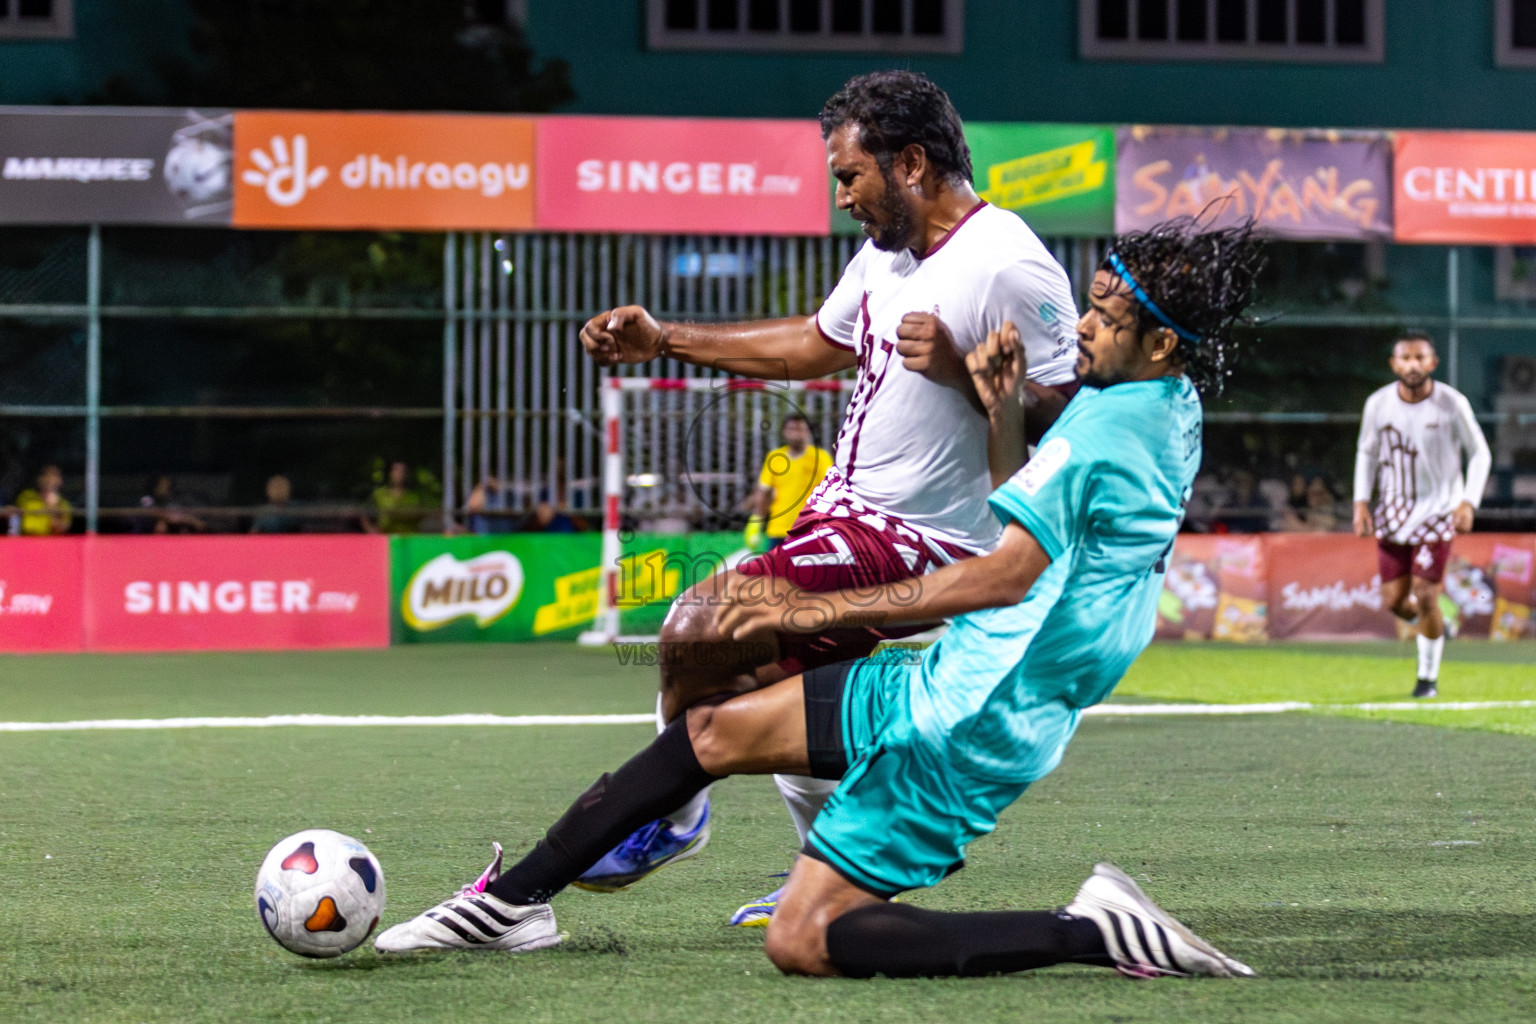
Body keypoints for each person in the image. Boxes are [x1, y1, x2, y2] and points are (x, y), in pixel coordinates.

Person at [375, 218, 1266, 981]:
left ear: (1161, 343)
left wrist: (813, 614)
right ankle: (513, 903)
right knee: (716, 731)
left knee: (803, 938)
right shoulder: (1168, 401)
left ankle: (1089, 931)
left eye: (1105, 318)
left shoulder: (1107, 420)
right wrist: (995, 409)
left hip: (978, 716)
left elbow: (1002, 574)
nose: (1079, 327)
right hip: (967, 674)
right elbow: (1027, 523)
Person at [571, 70, 1084, 916]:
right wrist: (666, 338)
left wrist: (965, 374)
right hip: (842, 516)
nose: (842, 195)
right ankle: (836, 868)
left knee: (700, 625)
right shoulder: (888, 255)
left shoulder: (1011, 265)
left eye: (851, 175)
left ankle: (671, 811)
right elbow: (816, 343)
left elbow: (1070, 424)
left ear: (912, 163)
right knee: (779, 694)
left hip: (920, 540)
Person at [1352, 331, 1491, 698]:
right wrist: (1360, 501)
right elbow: (1366, 453)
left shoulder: (1451, 403)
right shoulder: (1378, 404)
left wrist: (1468, 502)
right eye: (1405, 358)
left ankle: (1427, 679)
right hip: (1393, 514)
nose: (1413, 364)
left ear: (1432, 363)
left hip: (1438, 512)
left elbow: (1480, 453)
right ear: (1394, 364)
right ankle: (1435, 626)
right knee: (1395, 601)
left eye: (1420, 358)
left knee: (1426, 593)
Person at [743, 414, 833, 552]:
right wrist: (755, 522)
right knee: (773, 573)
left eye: (800, 429)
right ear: (784, 432)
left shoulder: (820, 458)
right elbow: (764, 492)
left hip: (809, 530)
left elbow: (831, 491)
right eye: (791, 429)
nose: (796, 433)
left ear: (808, 432)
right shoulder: (775, 458)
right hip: (778, 529)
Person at [361, 460, 426, 534]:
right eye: (396, 470)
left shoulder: (415, 497)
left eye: (402, 471)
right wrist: (370, 529)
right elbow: (363, 511)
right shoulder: (379, 494)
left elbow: (422, 516)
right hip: (386, 538)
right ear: (390, 473)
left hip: (410, 538)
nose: (399, 474)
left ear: (406, 474)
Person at [14, 465, 73, 536]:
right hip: (28, 541)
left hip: (51, 543)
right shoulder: (27, 497)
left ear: (60, 481)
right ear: (39, 479)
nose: (50, 480)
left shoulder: (64, 504)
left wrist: (53, 505)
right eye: (47, 475)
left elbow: (64, 527)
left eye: (54, 476)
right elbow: (24, 525)